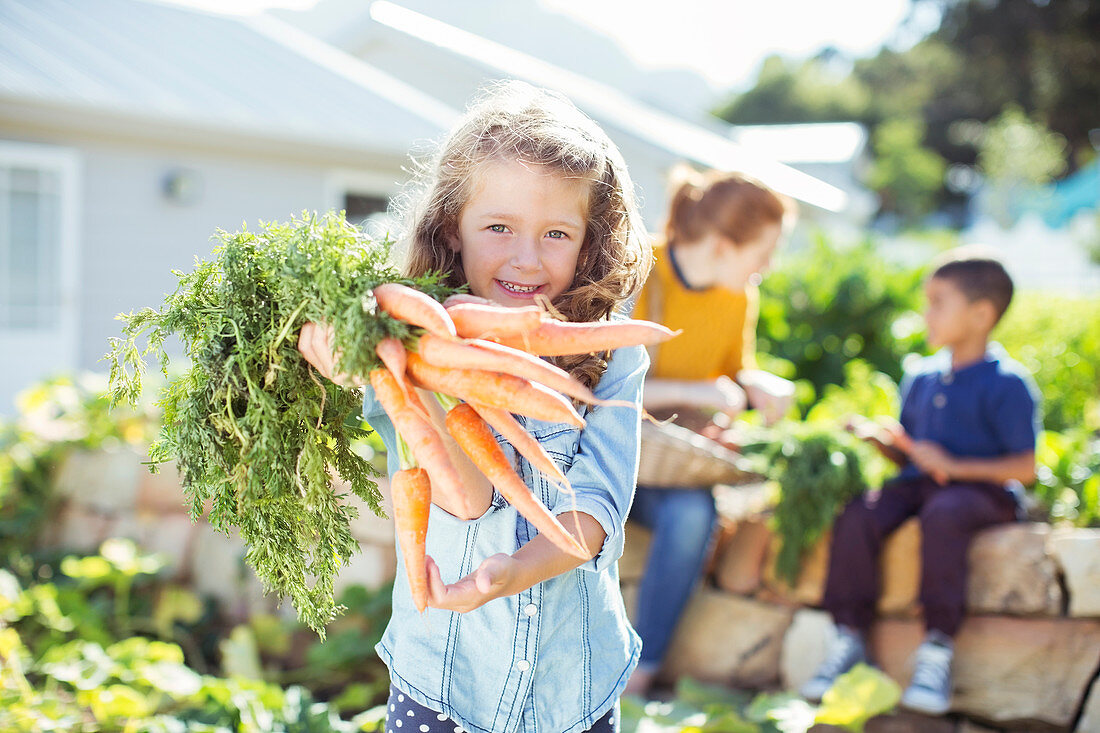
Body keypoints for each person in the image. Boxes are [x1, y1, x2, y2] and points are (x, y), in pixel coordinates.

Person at [298, 80, 653, 733]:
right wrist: (384, 367)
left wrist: (513, 570)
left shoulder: (614, 357)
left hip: (572, 686)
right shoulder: (398, 348)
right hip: (443, 684)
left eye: (555, 233)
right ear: (451, 229)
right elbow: (462, 494)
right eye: (498, 227)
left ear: (589, 240)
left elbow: (595, 508)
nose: (526, 258)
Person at [800, 246, 1041, 715]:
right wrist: (884, 442)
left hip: (979, 493)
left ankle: (937, 649)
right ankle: (848, 636)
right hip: (920, 486)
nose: (925, 313)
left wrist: (954, 465)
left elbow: (1025, 467)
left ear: (981, 314)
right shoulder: (922, 376)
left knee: (944, 514)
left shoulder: (1008, 383)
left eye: (938, 303)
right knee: (859, 511)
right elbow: (909, 456)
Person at [623, 168, 797, 696]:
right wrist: (698, 391)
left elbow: (732, 373)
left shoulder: (737, 295)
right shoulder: (637, 270)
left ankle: (639, 675)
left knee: (694, 515)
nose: (767, 266)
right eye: (763, 252)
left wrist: (757, 385)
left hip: (673, 465)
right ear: (723, 245)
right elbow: (591, 385)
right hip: (604, 453)